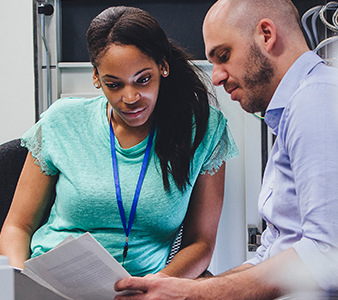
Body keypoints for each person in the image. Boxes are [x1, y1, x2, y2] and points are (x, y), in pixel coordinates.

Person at [112, 0, 338, 298]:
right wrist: (178, 291)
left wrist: (194, 294)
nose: (218, 77)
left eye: (223, 56)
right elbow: (271, 253)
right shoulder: (299, 109)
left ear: (266, 35)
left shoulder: (321, 104)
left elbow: (329, 254)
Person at [0, 6, 238, 279]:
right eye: (114, 84)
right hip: (51, 284)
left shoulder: (203, 130)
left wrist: (158, 288)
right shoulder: (62, 122)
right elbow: (18, 226)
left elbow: (201, 243)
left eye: (143, 80)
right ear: (96, 77)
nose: (130, 97)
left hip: (144, 289)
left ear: (163, 66)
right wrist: (16, 282)